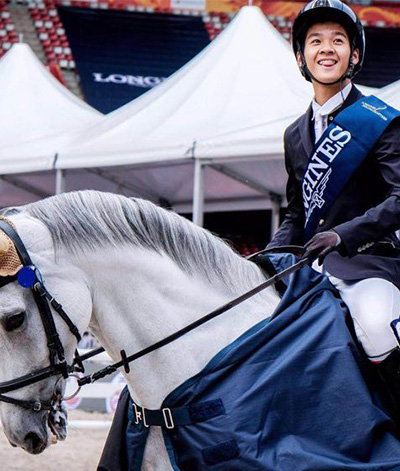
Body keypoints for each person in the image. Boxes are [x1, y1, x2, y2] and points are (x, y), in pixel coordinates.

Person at [268, 0, 400, 418]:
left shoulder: (380, 119)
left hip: (370, 265)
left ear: (354, 55)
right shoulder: (294, 134)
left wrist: (343, 235)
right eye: (316, 41)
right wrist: (269, 257)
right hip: (313, 269)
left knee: (376, 327)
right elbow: (296, 214)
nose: (327, 48)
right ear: (301, 57)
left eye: (338, 40)